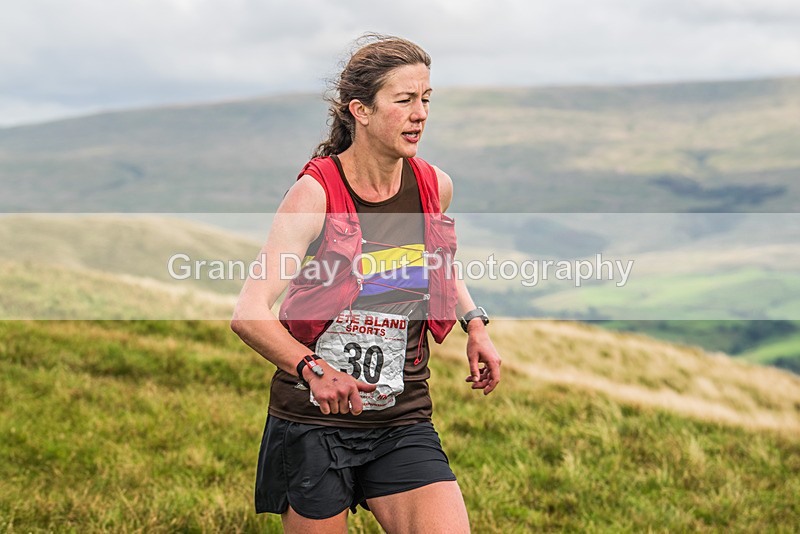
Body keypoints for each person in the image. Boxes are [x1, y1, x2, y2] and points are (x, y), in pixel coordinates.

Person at [231, 34, 501, 533]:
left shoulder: (432, 184)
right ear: (361, 110)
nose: (420, 114)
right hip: (314, 421)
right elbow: (249, 313)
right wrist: (313, 369)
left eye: (426, 99)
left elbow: (437, 261)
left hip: (401, 417)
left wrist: (474, 323)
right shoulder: (315, 194)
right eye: (404, 101)